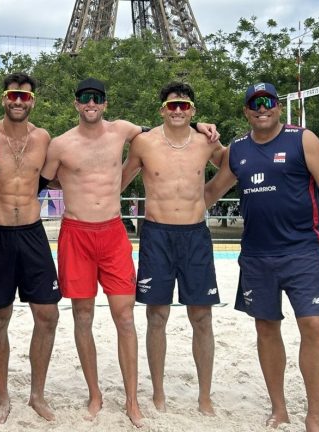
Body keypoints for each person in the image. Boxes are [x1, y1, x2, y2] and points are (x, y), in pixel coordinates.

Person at [39, 78, 218, 428]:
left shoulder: (122, 130)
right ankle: (95, 394)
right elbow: (39, 182)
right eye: (85, 98)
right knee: (82, 316)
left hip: (112, 232)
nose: (91, 103)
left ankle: (133, 400)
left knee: (125, 318)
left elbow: (165, 129)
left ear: (105, 103)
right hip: (76, 232)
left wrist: (199, 125)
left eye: (97, 98)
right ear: (76, 103)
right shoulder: (60, 144)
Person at [204, 82, 319, 432]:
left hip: (302, 251)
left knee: (313, 326)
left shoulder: (303, 140)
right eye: (254, 104)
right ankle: (279, 408)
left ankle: (314, 416)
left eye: (268, 102)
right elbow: (210, 192)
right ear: (246, 111)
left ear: (279, 107)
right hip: (256, 255)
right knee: (266, 328)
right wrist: (170, 203)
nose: (262, 108)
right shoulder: (238, 149)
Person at [121, 82, 225, 415]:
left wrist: (209, 196)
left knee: (202, 317)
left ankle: (205, 396)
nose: (178, 110)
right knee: (157, 316)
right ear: (162, 110)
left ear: (192, 110)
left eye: (184, 105)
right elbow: (117, 182)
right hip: (157, 235)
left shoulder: (207, 142)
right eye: (172, 105)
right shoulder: (144, 142)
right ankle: (158, 392)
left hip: (195, 235)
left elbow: (236, 165)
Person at [0, 73, 60, 424]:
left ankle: (36, 394)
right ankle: (2, 396)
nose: (17, 101)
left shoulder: (43, 138)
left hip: (32, 232)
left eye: (24, 97)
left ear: (32, 101)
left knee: (48, 315)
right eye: (12, 95)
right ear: (3, 99)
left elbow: (62, 172)